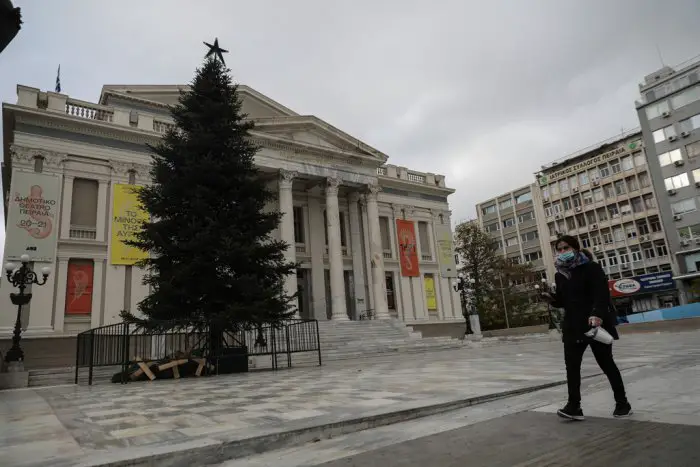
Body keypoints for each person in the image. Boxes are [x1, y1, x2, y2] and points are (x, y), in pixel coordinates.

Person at [542, 235, 631, 420]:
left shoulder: (591, 268)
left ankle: (622, 403)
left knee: (607, 364)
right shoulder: (560, 274)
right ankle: (574, 406)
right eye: (559, 249)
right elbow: (563, 301)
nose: (562, 252)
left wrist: (597, 314)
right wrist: (551, 299)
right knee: (572, 368)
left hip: (594, 324)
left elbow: (601, 294)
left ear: (575, 247)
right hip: (573, 326)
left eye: (566, 248)